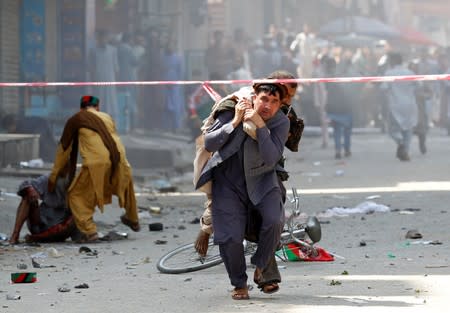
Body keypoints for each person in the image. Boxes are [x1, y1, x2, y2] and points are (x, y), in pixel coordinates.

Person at [195, 82, 289, 300]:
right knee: (230, 237)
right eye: (264, 99)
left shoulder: (280, 122)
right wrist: (236, 121)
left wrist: (260, 126)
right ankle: (239, 283)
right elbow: (209, 143)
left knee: (275, 221)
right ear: (254, 97)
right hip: (228, 183)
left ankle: (260, 266)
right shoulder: (232, 110)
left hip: (263, 181)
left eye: (274, 102)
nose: (268, 106)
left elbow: (271, 157)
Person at [48, 95, 140, 243]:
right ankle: (133, 218)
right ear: (97, 107)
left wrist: (54, 176)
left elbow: (63, 149)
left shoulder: (76, 119)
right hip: (120, 160)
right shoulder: (107, 117)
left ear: (81, 108)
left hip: (96, 163)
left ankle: (90, 232)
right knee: (126, 187)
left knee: (76, 195)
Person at [9, 169, 80, 244]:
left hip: (59, 230)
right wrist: (30, 189)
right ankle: (15, 235)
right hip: (39, 223)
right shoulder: (49, 179)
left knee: (76, 219)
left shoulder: (79, 188)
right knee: (27, 198)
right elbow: (25, 184)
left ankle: (38, 238)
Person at [381, 52, 418, 161]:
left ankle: (400, 143)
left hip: (395, 105)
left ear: (392, 61)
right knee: (408, 130)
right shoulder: (410, 73)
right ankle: (405, 152)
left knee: (392, 130)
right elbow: (418, 85)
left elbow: (383, 88)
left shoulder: (389, 73)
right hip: (410, 105)